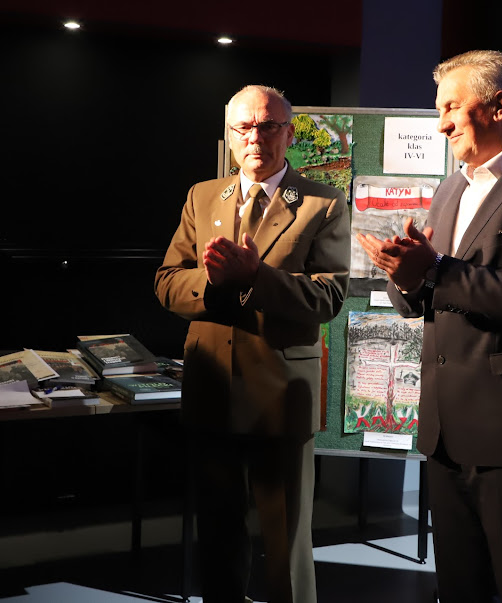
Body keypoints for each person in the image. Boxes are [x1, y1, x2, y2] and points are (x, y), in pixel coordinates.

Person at [357, 50, 502, 602]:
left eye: (450, 108)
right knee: (460, 588)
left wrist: (435, 269)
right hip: (446, 431)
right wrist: (404, 277)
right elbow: (422, 301)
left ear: (498, 105)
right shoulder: (451, 189)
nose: (440, 124)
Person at [155, 85, 350, 603]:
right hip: (211, 389)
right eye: (243, 127)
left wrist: (256, 279)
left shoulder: (322, 202)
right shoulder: (203, 196)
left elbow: (329, 297)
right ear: (230, 133)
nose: (254, 138)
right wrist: (213, 284)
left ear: (289, 133)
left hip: (280, 397)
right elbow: (167, 281)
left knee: (286, 546)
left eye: (267, 126)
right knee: (218, 541)